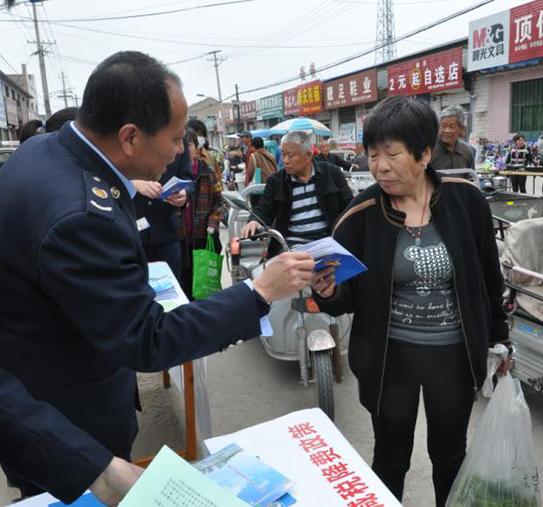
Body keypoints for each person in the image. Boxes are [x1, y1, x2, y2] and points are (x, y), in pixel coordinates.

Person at [0, 51, 316, 499]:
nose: (178, 152)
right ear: (130, 137)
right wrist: (258, 292)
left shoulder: (44, 151)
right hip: (67, 423)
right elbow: (148, 339)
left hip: (44, 389)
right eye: (173, 139)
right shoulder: (80, 214)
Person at [310, 96, 511, 506]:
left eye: (392, 154)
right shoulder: (361, 214)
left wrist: (499, 338)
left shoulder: (465, 201)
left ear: (423, 154)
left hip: (453, 357)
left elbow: (488, 278)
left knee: (450, 456)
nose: (379, 166)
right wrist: (328, 290)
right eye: (372, 154)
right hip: (390, 359)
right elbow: (343, 296)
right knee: (389, 458)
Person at [0, 366, 143, 505]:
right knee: (47, 488)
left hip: (108, 390)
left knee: (119, 475)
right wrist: (98, 472)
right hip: (35, 412)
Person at [240, 130, 353, 256]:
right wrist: (254, 221)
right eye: (283, 155)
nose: (285, 161)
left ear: (309, 154)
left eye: (290, 155)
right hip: (293, 248)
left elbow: (349, 208)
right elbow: (263, 208)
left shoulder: (332, 173)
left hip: (328, 244)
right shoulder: (276, 181)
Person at [132, 137, 192, 279]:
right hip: (132, 233)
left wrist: (185, 194)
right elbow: (108, 175)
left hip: (166, 230)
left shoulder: (177, 139)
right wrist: (133, 184)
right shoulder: (130, 138)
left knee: (171, 291)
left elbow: (188, 179)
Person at [180, 128, 224, 298]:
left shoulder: (208, 172)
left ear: (197, 146)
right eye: (182, 144)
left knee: (204, 287)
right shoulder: (172, 173)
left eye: (189, 143)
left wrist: (213, 222)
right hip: (180, 240)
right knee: (184, 286)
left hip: (204, 237)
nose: (185, 148)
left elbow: (219, 201)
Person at [428, 105, 476, 170]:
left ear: (461, 129)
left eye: (452, 126)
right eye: (443, 126)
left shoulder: (467, 152)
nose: (447, 131)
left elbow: (471, 177)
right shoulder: (429, 150)